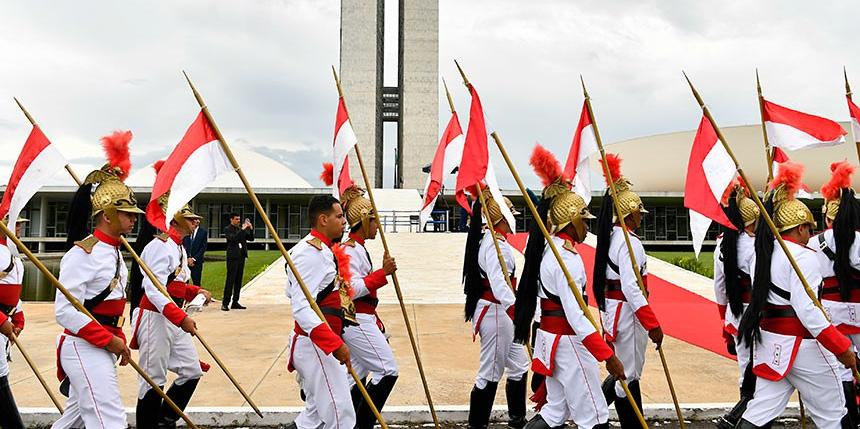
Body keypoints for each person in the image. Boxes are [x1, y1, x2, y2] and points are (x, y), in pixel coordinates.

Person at [736, 161, 856, 429]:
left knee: (759, 412)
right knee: (834, 414)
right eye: (808, 229)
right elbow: (808, 311)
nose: (810, 235)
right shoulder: (803, 256)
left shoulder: (762, 254)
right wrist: (841, 347)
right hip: (804, 346)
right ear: (800, 228)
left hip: (770, 344)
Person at [514, 145, 625, 429]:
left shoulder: (547, 251)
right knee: (595, 415)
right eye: (584, 221)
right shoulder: (566, 260)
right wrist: (607, 355)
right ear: (571, 221)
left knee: (555, 411)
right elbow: (577, 317)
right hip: (569, 342)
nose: (587, 228)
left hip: (551, 340)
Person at [52, 130, 141, 429]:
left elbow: (113, 305)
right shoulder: (83, 254)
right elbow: (65, 310)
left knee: (74, 421)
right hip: (84, 345)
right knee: (109, 421)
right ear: (107, 215)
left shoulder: (114, 252)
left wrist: (118, 338)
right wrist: (109, 340)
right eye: (127, 214)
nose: (133, 219)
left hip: (101, 344)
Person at [131, 193, 212, 428]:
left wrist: (196, 290)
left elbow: (174, 285)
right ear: (175, 219)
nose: (195, 221)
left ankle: (165, 420)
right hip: (155, 317)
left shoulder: (178, 247)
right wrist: (181, 317)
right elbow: (154, 290)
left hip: (173, 317)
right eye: (190, 217)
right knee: (152, 379)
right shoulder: (160, 246)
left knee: (191, 370)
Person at [592, 153, 662, 428]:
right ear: (629, 214)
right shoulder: (630, 243)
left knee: (624, 373)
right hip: (628, 315)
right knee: (629, 376)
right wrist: (653, 324)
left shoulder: (613, 238)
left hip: (615, 312)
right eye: (638, 214)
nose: (641, 219)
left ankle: (597, 412)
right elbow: (633, 288)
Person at [462, 186, 530, 429]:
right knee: (490, 372)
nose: (514, 222)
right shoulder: (495, 245)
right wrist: (516, 311)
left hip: (501, 312)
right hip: (497, 311)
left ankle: (517, 420)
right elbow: (499, 283)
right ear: (501, 218)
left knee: (520, 365)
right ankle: (476, 425)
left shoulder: (495, 241)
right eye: (510, 216)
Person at [285, 194, 355, 429]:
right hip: (317, 345)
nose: (344, 221)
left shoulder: (321, 250)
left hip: (321, 343)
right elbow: (301, 307)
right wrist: (334, 344)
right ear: (323, 219)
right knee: (340, 413)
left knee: (313, 418)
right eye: (339, 216)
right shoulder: (309, 253)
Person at [338, 184, 399, 429]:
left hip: (366, 317)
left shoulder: (359, 249)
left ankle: (348, 422)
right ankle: (363, 424)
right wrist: (382, 273)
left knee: (357, 378)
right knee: (387, 369)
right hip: (356, 319)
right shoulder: (349, 250)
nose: (377, 226)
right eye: (374, 221)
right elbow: (350, 290)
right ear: (363, 221)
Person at [813, 160, 860, 426]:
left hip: (831, 312)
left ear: (828, 218)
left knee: (841, 368)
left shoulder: (814, 242)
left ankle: (848, 420)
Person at [713, 180, 760, 429]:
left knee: (745, 366)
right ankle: (743, 417)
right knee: (760, 369)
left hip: (735, 313)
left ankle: (741, 414)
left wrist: (724, 320)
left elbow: (719, 288)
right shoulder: (756, 246)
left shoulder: (722, 243)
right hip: (758, 316)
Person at [0, 217, 29, 429]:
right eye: (15, 223)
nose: (19, 227)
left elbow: (13, 293)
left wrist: (18, 316)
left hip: (5, 324)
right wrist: (2, 320)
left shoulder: (15, 256)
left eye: (20, 223)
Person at [223, 213, 254, 311]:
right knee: (230, 280)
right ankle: (225, 303)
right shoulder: (228, 229)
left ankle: (235, 301)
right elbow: (234, 239)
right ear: (231, 219)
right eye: (236, 219)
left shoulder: (239, 229)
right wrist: (243, 229)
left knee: (238, 280)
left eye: (239, 219)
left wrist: (250, 229)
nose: (238, 221)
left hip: (241, 256)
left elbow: (251, 238)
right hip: (233, 257)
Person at [184, 218, 208, 286]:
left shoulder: (203, 232)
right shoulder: (187, 231)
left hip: (197, 262)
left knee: (196, 282)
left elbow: (203, 247)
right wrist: (188, 258)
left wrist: (194, 259)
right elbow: (183, 245)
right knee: (185, 282)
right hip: (186, 261)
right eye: (194, 220)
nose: (196, 221)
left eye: (198, 220)